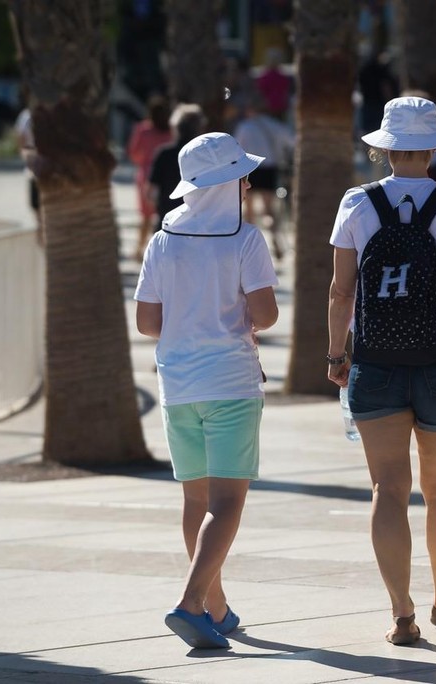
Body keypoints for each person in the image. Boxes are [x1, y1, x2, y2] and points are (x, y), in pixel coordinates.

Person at [327, 96, 436, 646]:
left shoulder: (356, 203)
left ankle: (401, 613)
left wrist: (336, 355)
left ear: (384, 147)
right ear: (434, 148)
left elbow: (342, 290)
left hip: (375, 359)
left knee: (387, 487)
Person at [134, 132, 279, 649]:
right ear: (230, 182)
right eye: (243, 174)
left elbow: (147, 321)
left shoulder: (163, 237)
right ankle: (192, 604)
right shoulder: (245, 238)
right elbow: (266, 314)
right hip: (232, 383)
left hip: (177, 382)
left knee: (196, 500)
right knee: (228, 502)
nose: (248, 181)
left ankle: (216, 607)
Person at [232, 97, 296, 260]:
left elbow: (236, 148)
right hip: (269, 168)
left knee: (249, 210)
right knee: (269, 210)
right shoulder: (274, 125)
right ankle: (275, 242)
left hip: (250, 169)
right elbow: (291, 141)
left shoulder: (245, 126)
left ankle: (249, 246)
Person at [147, 104, 206, 239]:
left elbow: (150, 192)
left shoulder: (164, 154)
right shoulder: (206, 156)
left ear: (175, 127)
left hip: (167, 221)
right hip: (199, 226)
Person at [128, 95, 173, 260]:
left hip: (146, 175)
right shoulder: (171, 130)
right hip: (167, 175)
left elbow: (133, 153)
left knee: (146, 216)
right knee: (165, 214)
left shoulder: (143, 130)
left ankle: (140, 250)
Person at [14, 100, 42, 246]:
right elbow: (21, 139)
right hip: (34, 170)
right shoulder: (26, 116)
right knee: (37, 212)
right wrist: (29, 157)